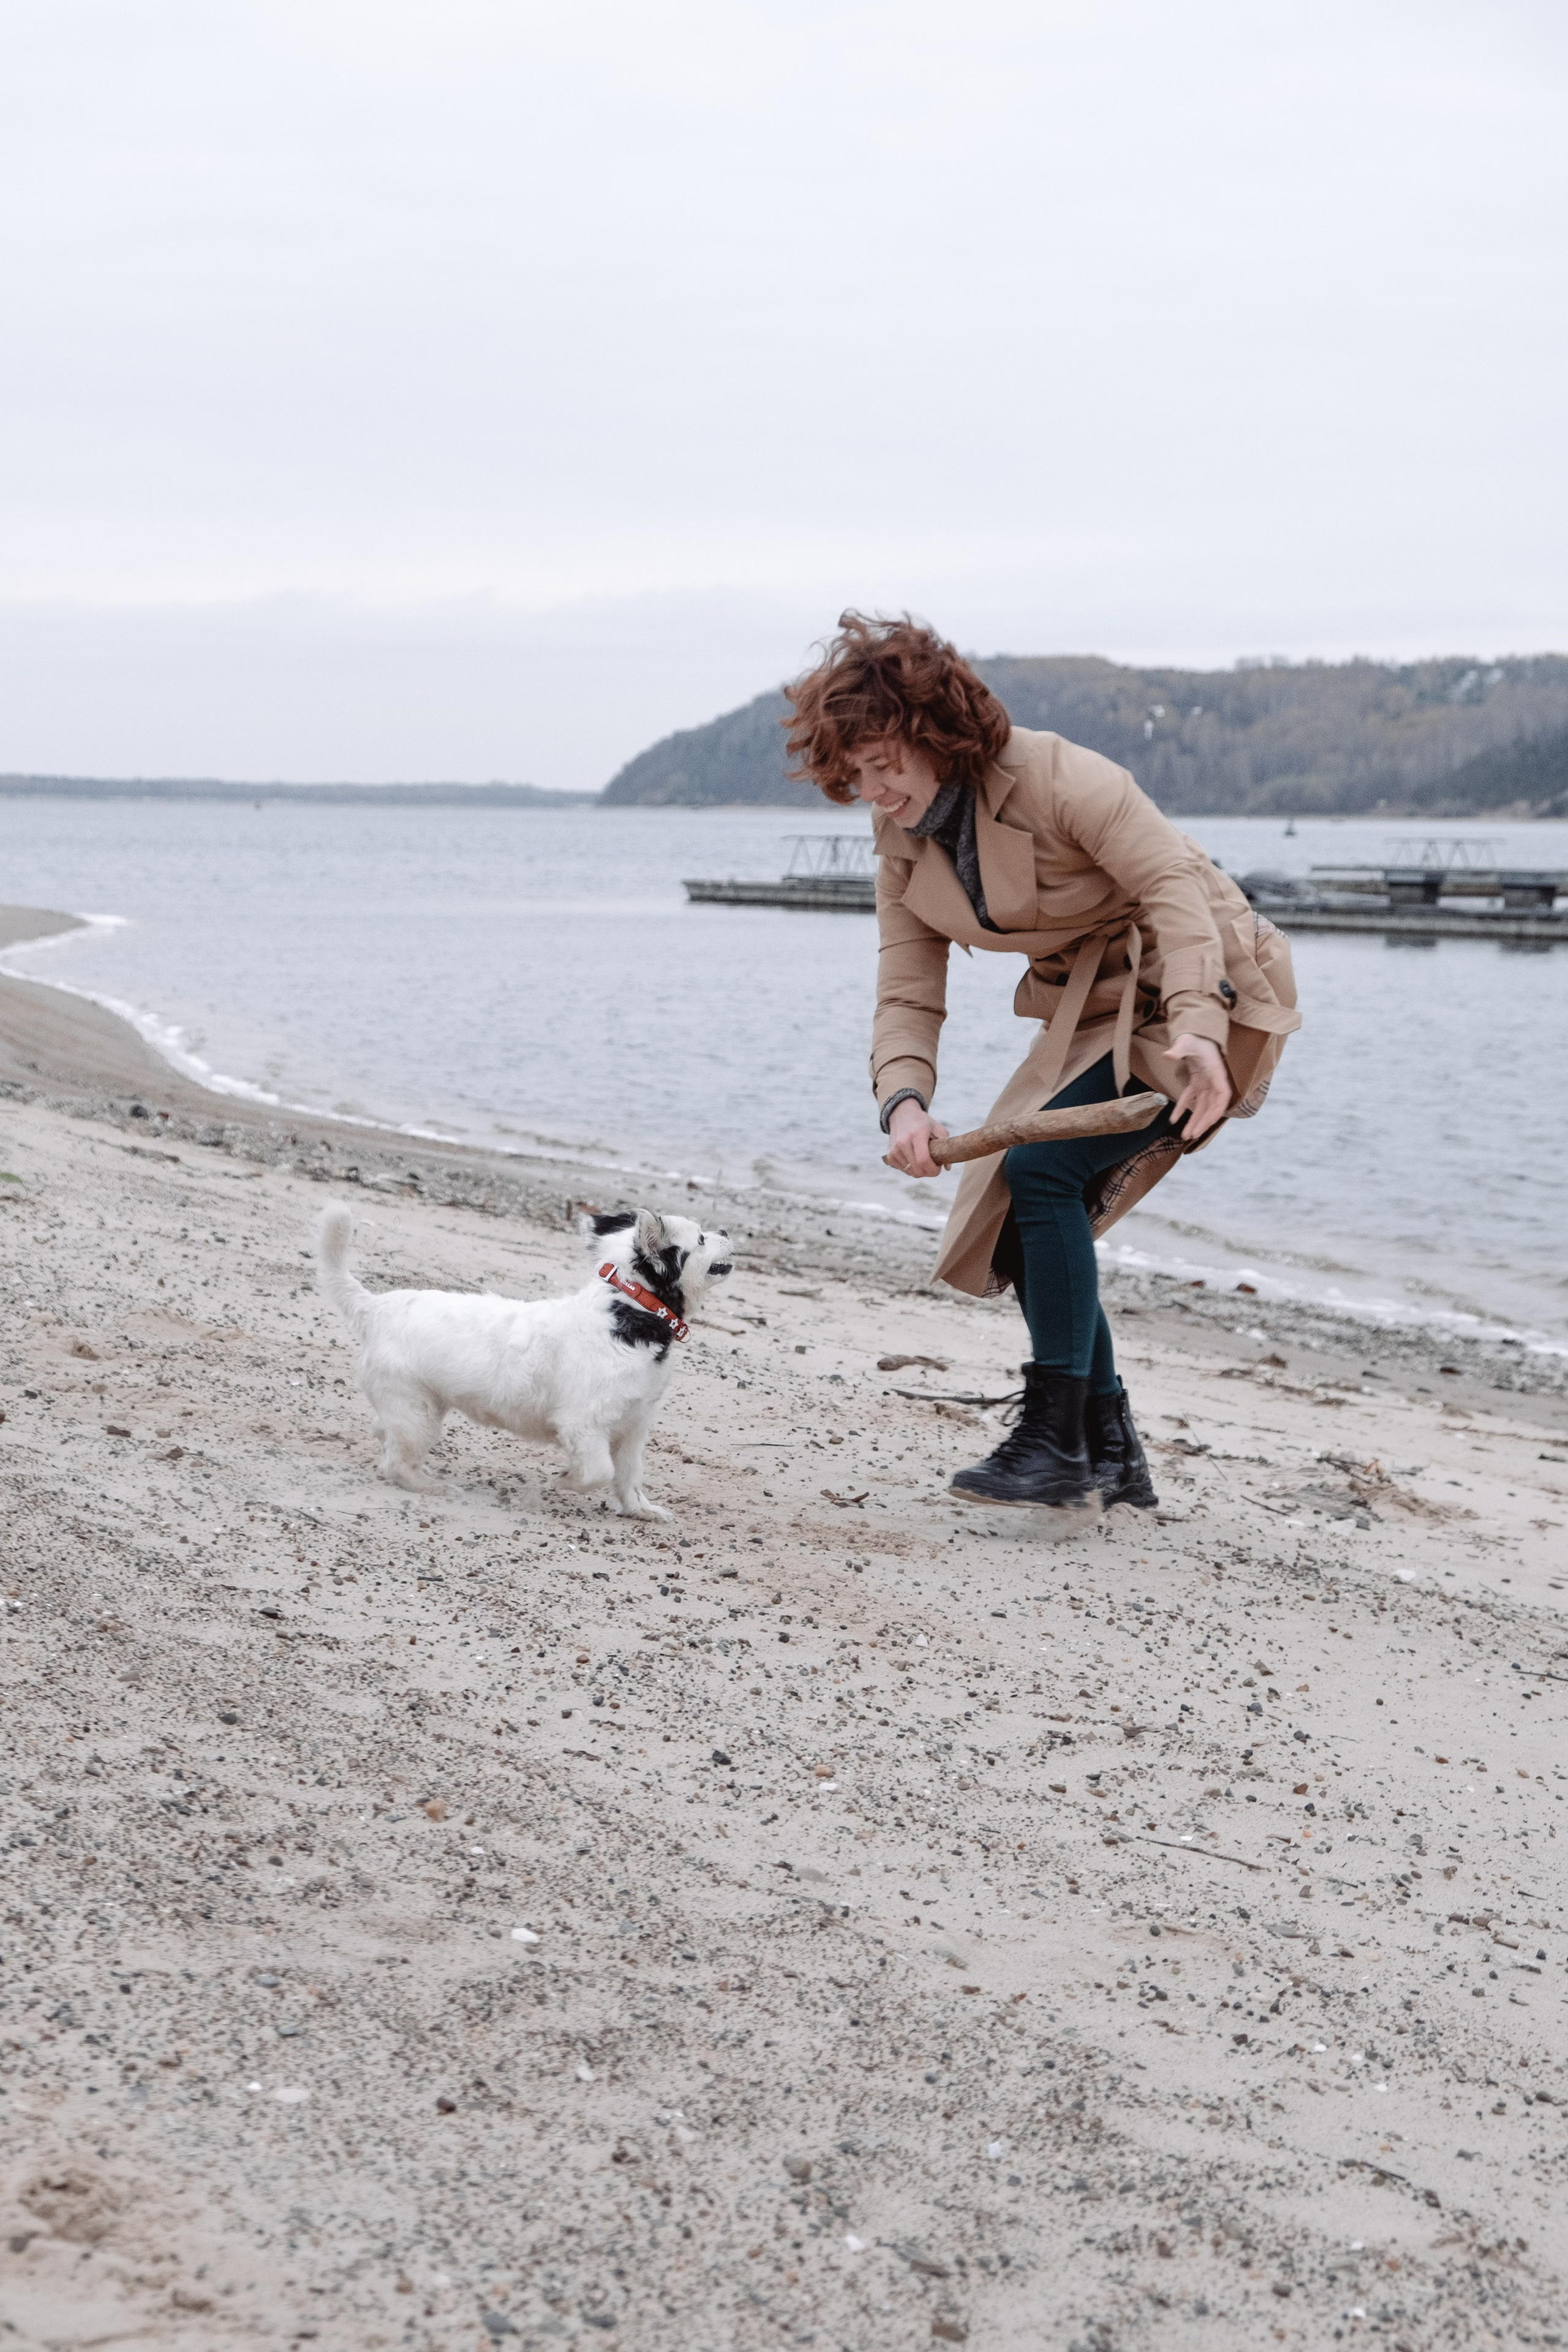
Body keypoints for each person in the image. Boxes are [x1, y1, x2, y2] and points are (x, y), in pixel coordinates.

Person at [784, 613, 1300, 1534]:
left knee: (1041, 1174)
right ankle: (1107, 1446)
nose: (874, 789)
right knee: (1012, 1217)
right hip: (1095, 1014)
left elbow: (1176, 893)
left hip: (1212, 990)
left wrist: (1199, 1028)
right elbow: (906, 978)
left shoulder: (1063, 776)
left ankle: (1057, 1438)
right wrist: (904, 1098)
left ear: (935, 729)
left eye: (884, 762)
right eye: (853, 774)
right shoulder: (900, 833)